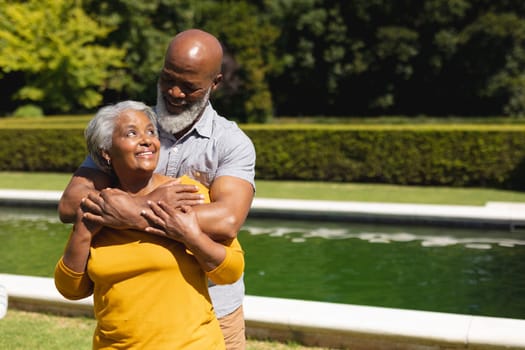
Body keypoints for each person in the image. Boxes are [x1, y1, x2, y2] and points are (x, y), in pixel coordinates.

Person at [58, 29, 255, 349]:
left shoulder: (230, 143)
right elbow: (70, 206)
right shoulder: (128, 128)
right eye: (167, 79)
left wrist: (135, 210)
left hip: (214, 308)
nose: (175, 92)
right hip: (137, 315)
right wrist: (149, 205)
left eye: (189, 87)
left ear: (215, 83)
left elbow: (227, 219)